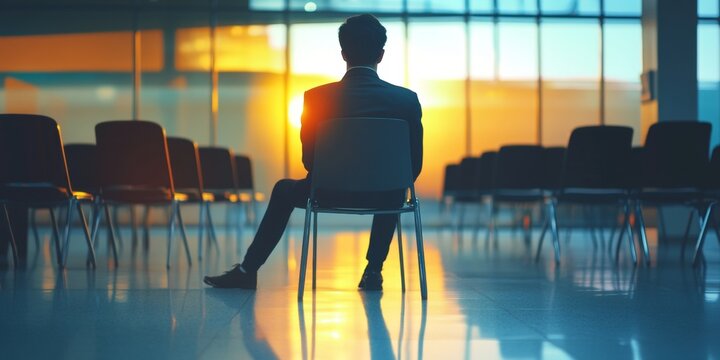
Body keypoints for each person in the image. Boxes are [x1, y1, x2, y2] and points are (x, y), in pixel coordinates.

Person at [204, 14, 423, 290]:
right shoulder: (406, 101)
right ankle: (373, 271)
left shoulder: (316, 99)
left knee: (283, 190)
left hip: (327, 191)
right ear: (381, 55)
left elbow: (309, 161)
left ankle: (248, 270)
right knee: (395, 184)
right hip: (385, 195)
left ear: (343, 54)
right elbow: (412, 167)